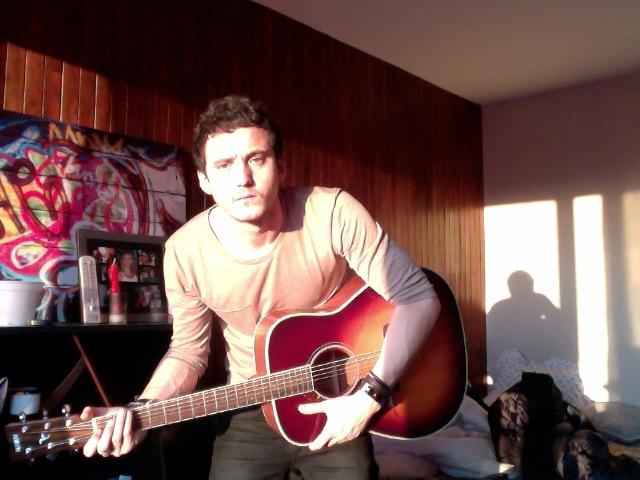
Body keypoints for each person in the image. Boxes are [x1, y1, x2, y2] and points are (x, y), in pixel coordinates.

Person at [80, 95, 441, 479]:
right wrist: (143, 410)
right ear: (204, 180)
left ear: (281, 166)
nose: (243, 178)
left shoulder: (332, 212)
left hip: (344, 393)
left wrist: (370, 396)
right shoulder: (185, 252)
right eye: (224, 165)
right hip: (251, 406)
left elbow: (419, 298)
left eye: (256, 159)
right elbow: (188, 351)